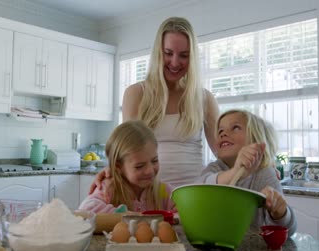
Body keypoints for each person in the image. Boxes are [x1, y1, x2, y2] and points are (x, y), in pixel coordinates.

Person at [90, 16, 219, 192]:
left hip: (193, 195)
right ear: (158, 52)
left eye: (184, 55)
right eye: (168, 53)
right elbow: (126, 147)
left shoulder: (204, 98)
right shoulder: (136, 94)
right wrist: (111, 168)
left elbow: (223, 151)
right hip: (148, 195)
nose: (175, 62)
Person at [201, 109, 297, 236]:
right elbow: (203, 187)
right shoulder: (214, 168)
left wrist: (281, 214)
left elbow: (287, 231)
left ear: (255, 140)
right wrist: (237, 171)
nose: (223, 134)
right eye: (220, 131)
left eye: (235, 127)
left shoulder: (264, 174)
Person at [79, 120, 176, 213]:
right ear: (118, 167)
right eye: (139, 166)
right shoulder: (109, 189)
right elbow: (85, 211)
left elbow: (183, 212)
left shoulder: (163, 191)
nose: (150, 171)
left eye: (154, 161)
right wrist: (126, 216)